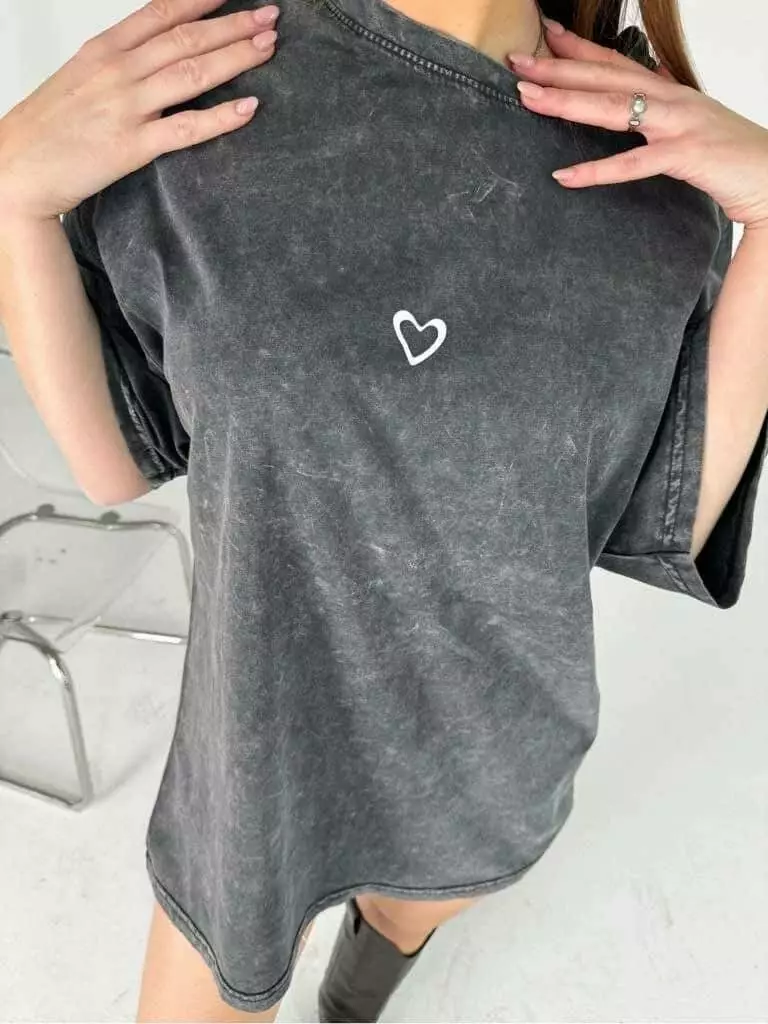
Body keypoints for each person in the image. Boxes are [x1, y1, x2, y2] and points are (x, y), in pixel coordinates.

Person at [1, 0, 767, 1021]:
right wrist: (11, 193)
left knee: (401, 922)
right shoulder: (208, 84)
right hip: (257, 752)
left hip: (493, 750)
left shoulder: (650, 177)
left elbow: (656, 517)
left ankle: (356, 992)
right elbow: (115, 460)